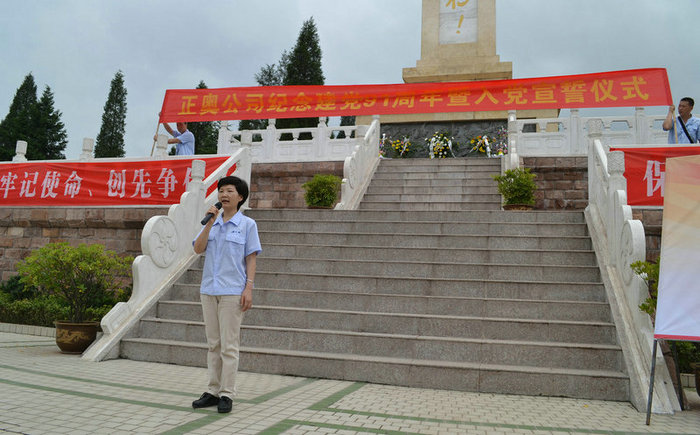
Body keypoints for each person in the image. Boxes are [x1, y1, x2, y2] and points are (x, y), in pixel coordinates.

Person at [191, 176, 261, 414]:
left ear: (240, 197)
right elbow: (198, 248)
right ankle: (212, 391)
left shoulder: (247, 225)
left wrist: (248, 288)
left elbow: (251, 258)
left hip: (232, 292)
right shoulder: (211, 222)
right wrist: (208, 223)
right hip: (209, 290)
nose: (224, 194)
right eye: (221, 191)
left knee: (229, 346)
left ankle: (227, 394)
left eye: (230, 191)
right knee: (214, 344)